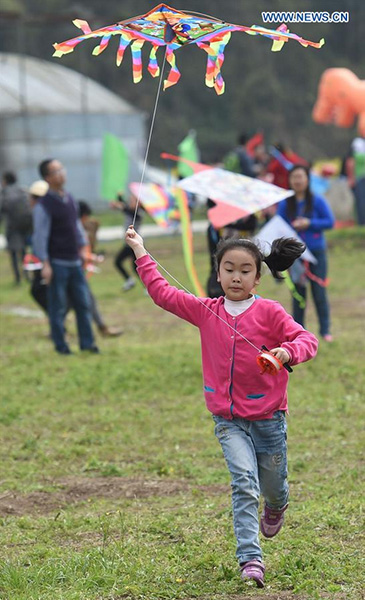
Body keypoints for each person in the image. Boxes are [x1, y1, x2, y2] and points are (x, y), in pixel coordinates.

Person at [125, 226, 318, 588]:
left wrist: (286, 351)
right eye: (229, 269)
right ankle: (251, 559)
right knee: (243, 482)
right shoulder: (206, 311)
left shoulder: (272, 313)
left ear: (257, 277)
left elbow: (307, 339)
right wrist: (139, 251)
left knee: (273, 488)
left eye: (245, 270)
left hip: (268, 420)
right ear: (217, 274)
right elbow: (163, 293)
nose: (236, 276)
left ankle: (276, 505)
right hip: (228, 420)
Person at [32, 159, 98, 354]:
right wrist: (45, 263)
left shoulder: (69, 199)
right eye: (56, 171)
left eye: (62, 169)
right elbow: (40, 236)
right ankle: (61, 346)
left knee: (83, 304)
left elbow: (76, 227)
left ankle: (87, 344)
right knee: (58, 306)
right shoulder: (44, 205)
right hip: (57, 262)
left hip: (74, 262)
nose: (61, 173)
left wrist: (83, 249)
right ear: (47, 177)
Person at [276, 165, 335, 341]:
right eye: (294, 177)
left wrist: (309, 223)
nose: (298, 181)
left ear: (307, 179)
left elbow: (330, 222)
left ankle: (325, 331)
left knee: (319, 291)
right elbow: (279, 225)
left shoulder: (317, 201)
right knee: (298, 294)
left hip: (316, 253)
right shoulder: (285, 203)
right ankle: (298, 332)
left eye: (301, 177)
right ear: (290, 180)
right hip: (296, 256)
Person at [78, 200, 123, 338]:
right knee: (85, 300)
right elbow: (79, 253)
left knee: (79, 301)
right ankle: (101, 328)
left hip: (75, 272)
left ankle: (101, 327)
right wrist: (93, 258)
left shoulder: (76, 227)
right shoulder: (74, 228)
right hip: (72, 272)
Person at [0, 171, 32, 285]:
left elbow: (2, 209)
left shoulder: (5, 192)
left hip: (12, 227)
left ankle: (18, 278)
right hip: (24, 226)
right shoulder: (22, 190)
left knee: (13, 253)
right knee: (23, 251)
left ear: (5, 180)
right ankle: (27, 275)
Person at [110, 193, 143, 291]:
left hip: (134, 245)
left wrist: (119, 206)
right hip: (129, 244)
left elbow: (127, 210)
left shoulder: (138, 213)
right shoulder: (130, 210)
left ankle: (135, 283)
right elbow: (125, 207)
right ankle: (131, 281)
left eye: (133, 201)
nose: (130, 202)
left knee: (124, 264)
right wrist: (119, 196)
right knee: (133, 267)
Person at [346, 136, 365, 225]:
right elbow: (350, 161)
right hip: (360, 177)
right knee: (361, 201)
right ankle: (362, 223)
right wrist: (351, 177)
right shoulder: (358, 142)